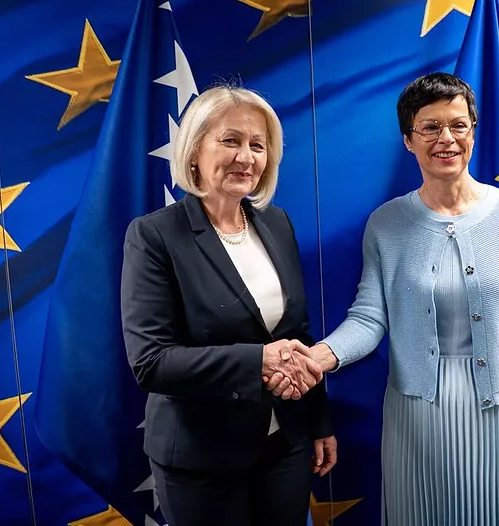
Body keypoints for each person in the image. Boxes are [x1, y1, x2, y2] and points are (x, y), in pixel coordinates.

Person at [275, 72, 499, 525]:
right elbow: (369, 318)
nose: (446, 139)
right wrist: (318, 358)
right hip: (416, 419)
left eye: (458, 125)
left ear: (473, 132)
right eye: (430, 127)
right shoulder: (385, 224)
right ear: (408, 140)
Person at [120, 84, 337, 526]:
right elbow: (151, 362)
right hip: (201, 459)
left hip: (287, 445)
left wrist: (318, 421)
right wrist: (258, 361)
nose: (246, 157)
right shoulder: (154, 235)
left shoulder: (276, 222)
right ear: (194, 150)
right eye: (231, 140)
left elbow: (297, 335)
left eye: (258, 145)